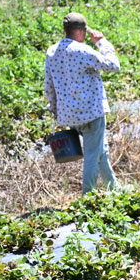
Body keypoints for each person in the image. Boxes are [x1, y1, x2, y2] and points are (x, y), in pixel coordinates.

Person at [44, 12, 120, 195]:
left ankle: (115, 190)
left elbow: (49, 86)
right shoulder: (82, 50)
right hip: (91, 113)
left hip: (70, 116)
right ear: (80, 31)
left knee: (101, 150)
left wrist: (54, 109)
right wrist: (101, 42)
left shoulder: (52, 52)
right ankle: (88, 198)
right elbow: (114, 65)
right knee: (93, 156)